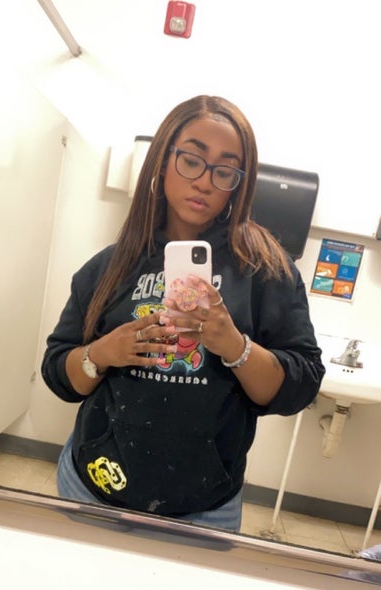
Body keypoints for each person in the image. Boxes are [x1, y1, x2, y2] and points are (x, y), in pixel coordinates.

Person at [41, 94, 325, 531]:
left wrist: (235, 347)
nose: (206, 181)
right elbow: (59, 374)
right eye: (192, 160)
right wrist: (103, 352)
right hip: (92, 486)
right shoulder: (109, 266)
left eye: (225, 170)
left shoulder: (265, 270)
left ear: (239, 183)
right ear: (162, 160)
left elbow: (301, 384)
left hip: (205, 509)